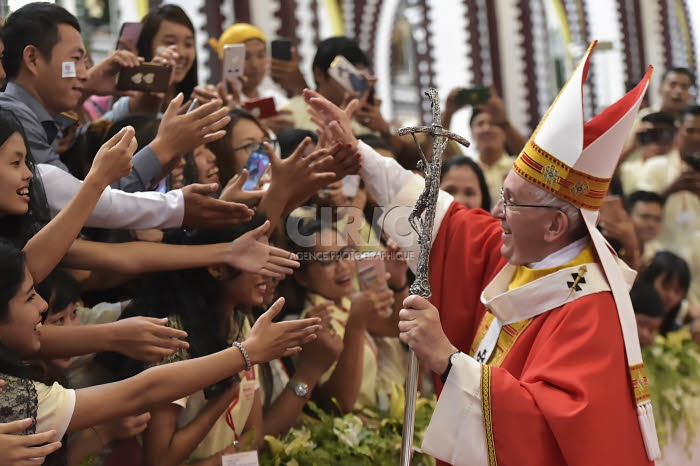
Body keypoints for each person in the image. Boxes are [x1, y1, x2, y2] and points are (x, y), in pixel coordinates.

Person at [305, 41, 659, 465]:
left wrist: (447, 360)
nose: (496, 212)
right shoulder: (530, 256)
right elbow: (444, 221)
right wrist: (359, 155)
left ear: (555, 226)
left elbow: (547, 433)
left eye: (510, 202)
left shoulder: (588, 309)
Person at [0, 239, 321, 455]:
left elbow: (252, 440)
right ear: (217, 270)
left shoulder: (242, 323)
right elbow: (143, 399)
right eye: (29, 297)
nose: (41, 305)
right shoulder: (11, 396)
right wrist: (244, 357)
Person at [0, 3, 228, 193]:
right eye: (76, 59)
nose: (84, 71)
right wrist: (164, 148)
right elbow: (79, 202)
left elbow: (84, 143)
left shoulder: (43, 120)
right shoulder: (15, 118)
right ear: (32, 59)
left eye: (189, 43)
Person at [627, 191, 665, 264]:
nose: (652, 225)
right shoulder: (612, 250)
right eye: (645, 217)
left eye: (658, 219)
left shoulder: (657, 253)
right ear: (627, 215)